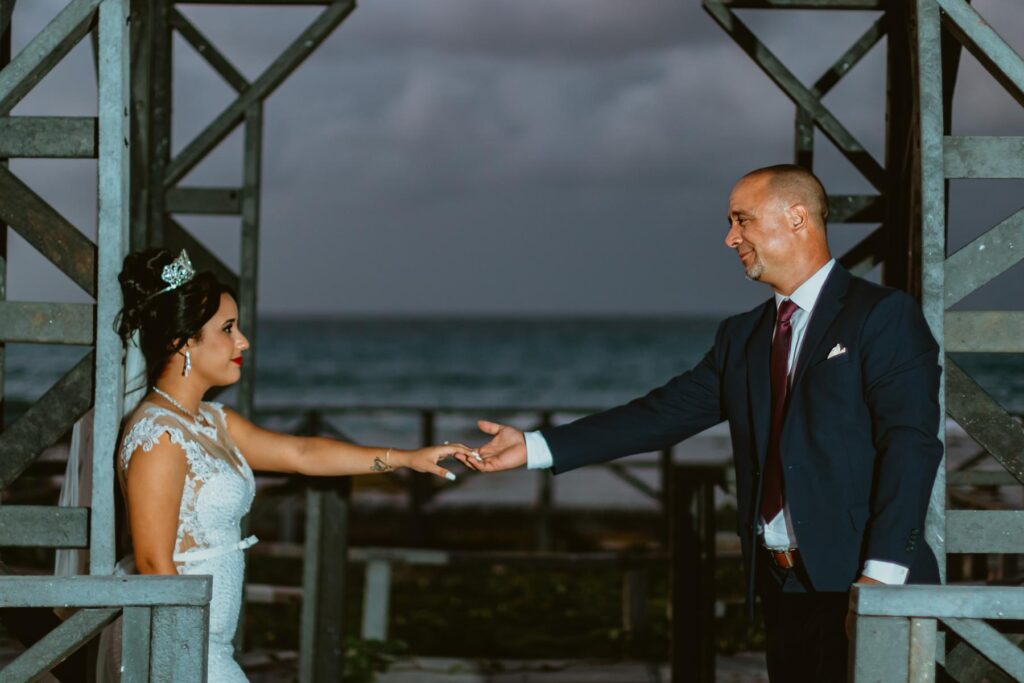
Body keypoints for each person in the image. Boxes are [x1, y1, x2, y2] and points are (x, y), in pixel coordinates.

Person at [460, 165, 943, 682]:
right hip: (782, 590)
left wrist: (882, 580)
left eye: (743, 220)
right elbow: (662, 414)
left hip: (866, 585)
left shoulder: (884, 315)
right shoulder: (742, 336)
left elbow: (909, 446)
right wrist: (536, 447)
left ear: (797, 217)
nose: (730, 237)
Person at [114, 248, 475, 681]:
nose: (242, 341)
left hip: (213, 644)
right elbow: (155, 564)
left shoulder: (212, 421)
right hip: (182, 651)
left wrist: (406, 459)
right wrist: (185, 662)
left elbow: (302, 454)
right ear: (182, 341)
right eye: (228, 329)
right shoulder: (160, 436)